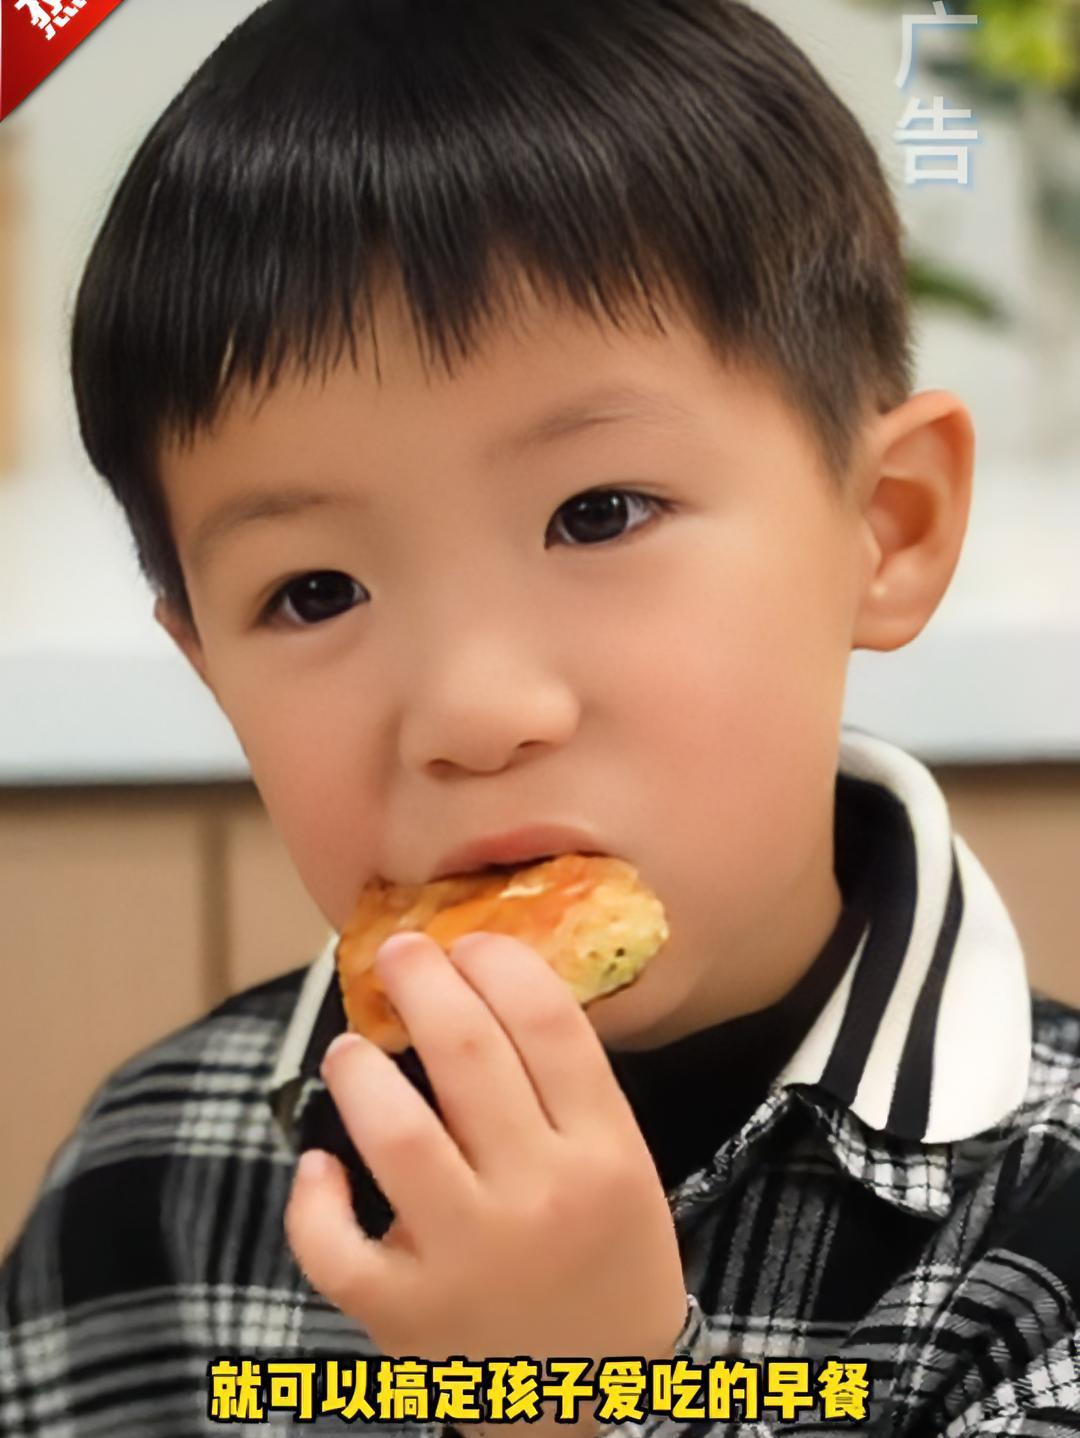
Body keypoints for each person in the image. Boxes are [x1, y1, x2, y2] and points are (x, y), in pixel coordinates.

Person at [3, 0, 1079, 1433]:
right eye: (315, 591)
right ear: (205, 665)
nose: (472, 710)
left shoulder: (1042, 1239)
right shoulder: (151, 1179)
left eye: (599, 512)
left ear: (887, 526)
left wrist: (591, 1397)